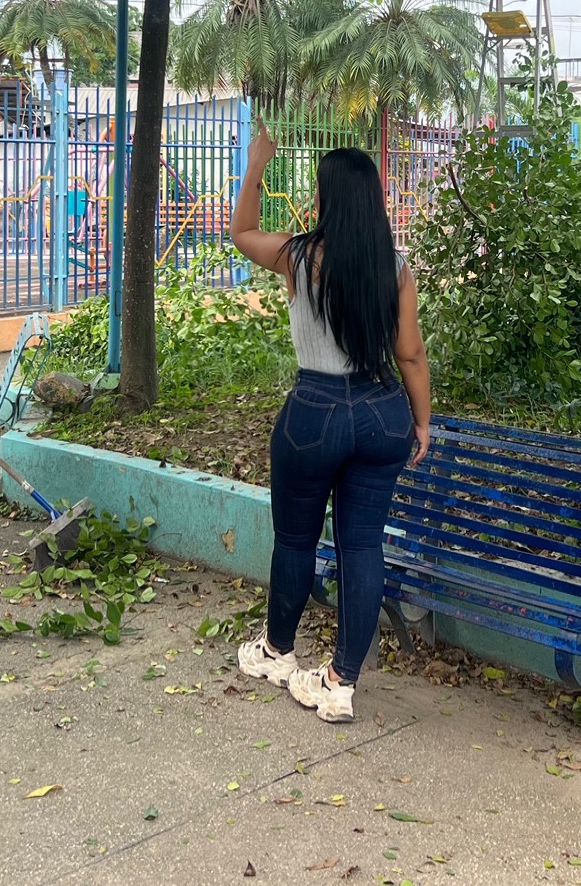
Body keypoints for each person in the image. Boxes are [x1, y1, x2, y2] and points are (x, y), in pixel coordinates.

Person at [227, 124, 432, 722]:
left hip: (314, 413)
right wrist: (421, 423)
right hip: (381, 412)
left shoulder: (298, 256)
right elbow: (410, 354)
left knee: (296, 537)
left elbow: (241, 232)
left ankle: (277, 651)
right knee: (363, 545)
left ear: (326, 198)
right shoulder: (395, 267)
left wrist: (257, 164)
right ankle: (340, 683)